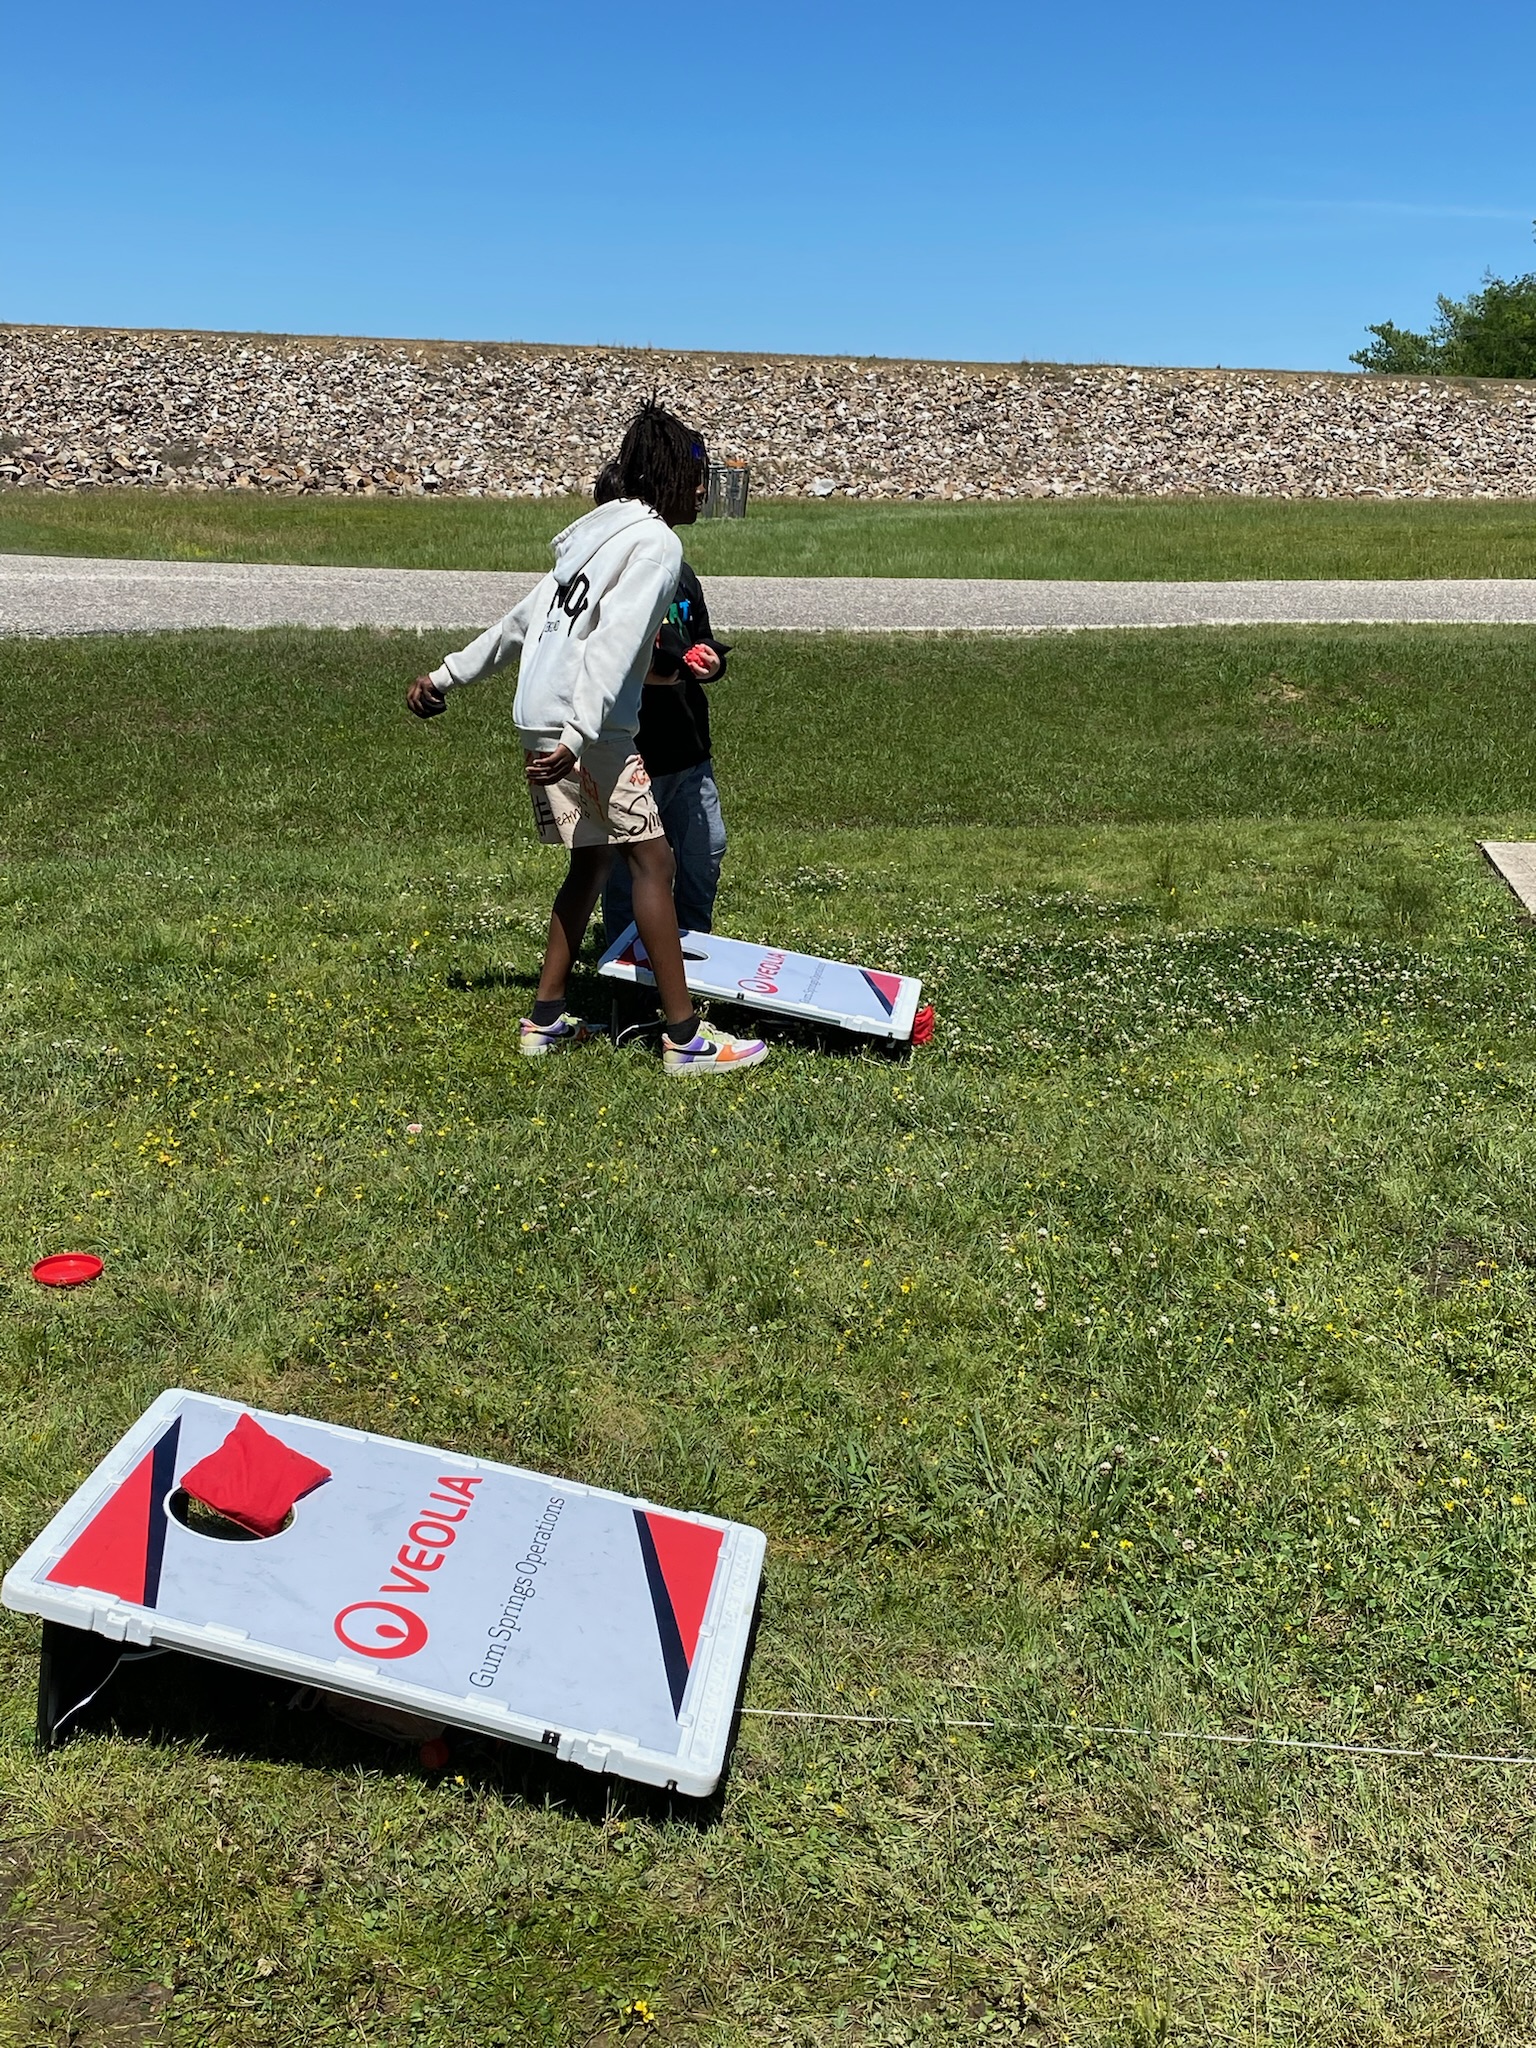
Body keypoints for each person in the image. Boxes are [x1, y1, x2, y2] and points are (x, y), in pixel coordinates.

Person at [405, 402, 767, 1079]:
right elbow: (614, 644)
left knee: (591, 864)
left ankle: (544, 1020)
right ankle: (686, 1039)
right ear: (667, 477)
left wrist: (445, 674)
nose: (700, 491)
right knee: (654, 866)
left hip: (541, 720)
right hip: (585, 728)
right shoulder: (655, 544)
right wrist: (579, 735)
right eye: (694, 477)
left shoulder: (592, 541)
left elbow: (518, 625)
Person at [592, 461, 730, 945]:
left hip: (690, 750)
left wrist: (710, 661)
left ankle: (693, 943)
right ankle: (626, 955)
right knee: (631, 868)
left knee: (705, 849)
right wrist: (657, 673)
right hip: (635, 752)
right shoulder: (608, 584)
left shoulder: (682, 576)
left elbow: (704, 640)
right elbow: (605, 663)